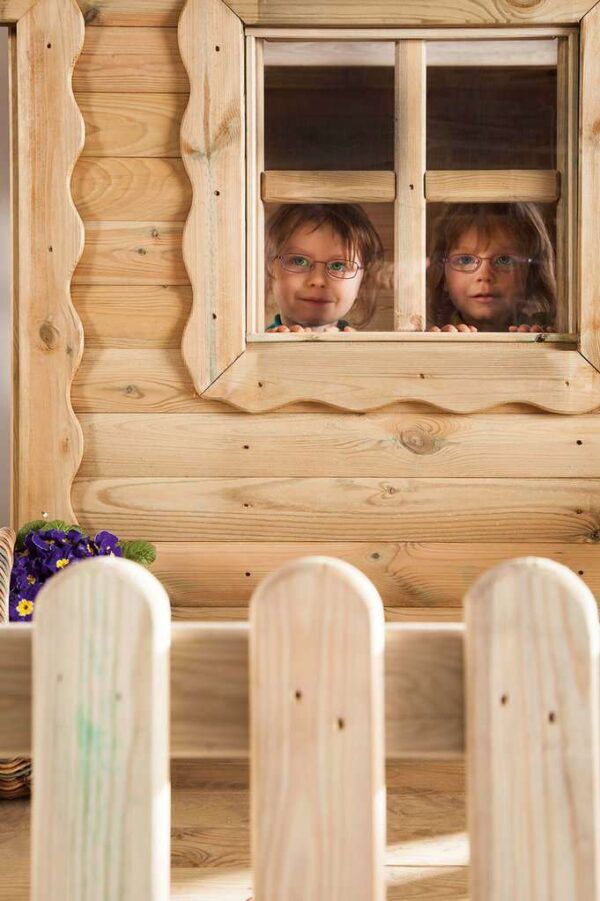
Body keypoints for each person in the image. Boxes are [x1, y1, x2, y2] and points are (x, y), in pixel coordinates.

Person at [427, 202, 557, 333]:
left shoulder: (546, 333)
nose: (484, 275)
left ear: (531, 274)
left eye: (504, 260)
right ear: (443, 274)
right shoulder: (427, 334)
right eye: (465, 260)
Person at [265, 203, 384, 332]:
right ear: (269, 268)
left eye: (338, 265)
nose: (318, 280)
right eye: (299, 261)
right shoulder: (249, 349)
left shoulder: (366, 350)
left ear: (362, 281)